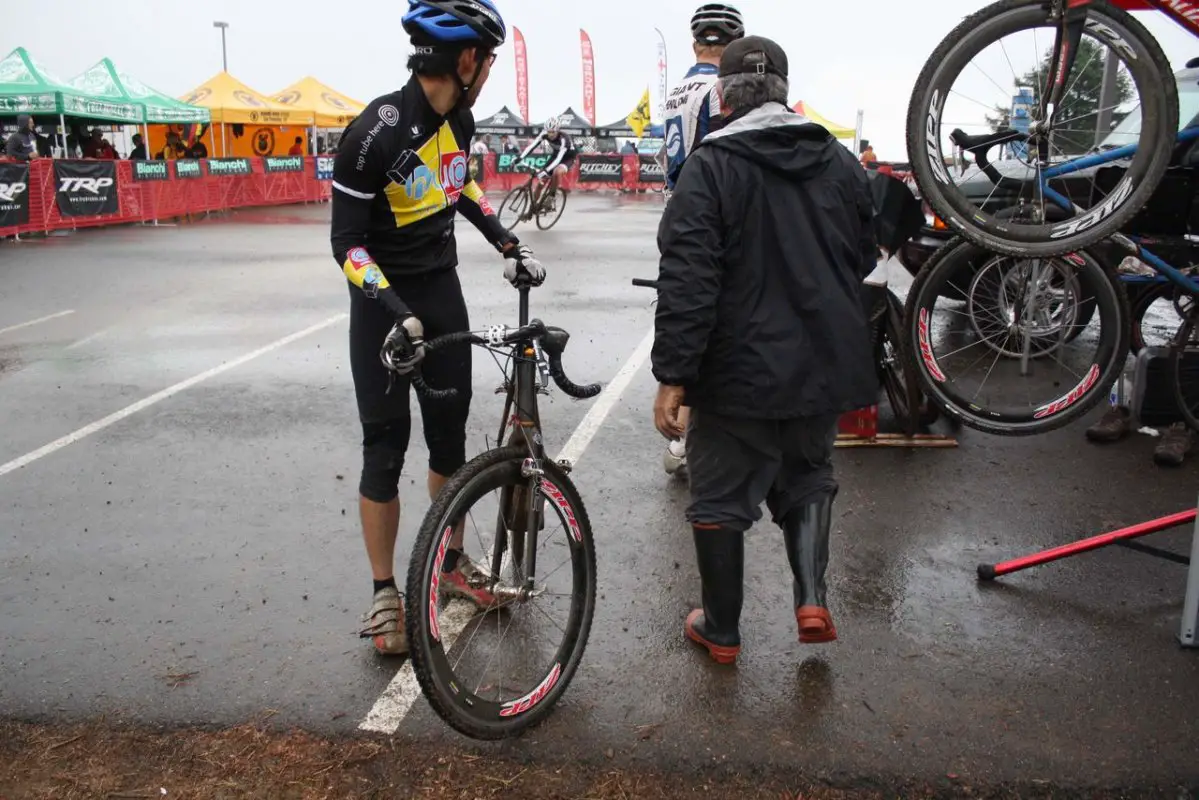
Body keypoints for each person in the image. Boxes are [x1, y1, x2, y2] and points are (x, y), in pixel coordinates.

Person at [651, 36, 877, 664]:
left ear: (723, 96)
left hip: (736, 372)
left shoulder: (710, 164)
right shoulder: (839, 162)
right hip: (819, 365)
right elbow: (862, 255)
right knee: (806, 477)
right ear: (783, 90)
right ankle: (811, 597)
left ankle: (721, 629)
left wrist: (672, 374)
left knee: (721, 496)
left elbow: (689, 277)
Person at [329, 0, 545, 657]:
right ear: (466, 58)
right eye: (488, 59)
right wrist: (397, 312)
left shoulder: (462, 120)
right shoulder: (374, 132)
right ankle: (384, 595)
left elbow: (462, 189)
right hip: (384, 311)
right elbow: (346, 247)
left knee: (448, 446)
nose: (489, 73)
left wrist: (508, 241)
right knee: (384, 452)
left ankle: (450, 566)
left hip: (442, 297)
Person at [657, 2, 744, 478]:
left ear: (696, 44)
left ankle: (686, 436)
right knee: (714, 325)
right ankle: (691, 440)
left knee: (687, 319)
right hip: (707, 214)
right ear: (733, 48)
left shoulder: (674, 91)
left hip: (674, 210)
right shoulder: (721, 89)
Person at [517, 117, 576, 211]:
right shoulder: (544, 134)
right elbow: (532, 146)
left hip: (568, 159)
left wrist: (546, 170)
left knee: (557, 172)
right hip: (556, 155)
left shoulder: (565, 139)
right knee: (541, 183)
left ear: (558, 130)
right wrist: (520, 158)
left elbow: (559, 159)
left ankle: (551, 197)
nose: (550, 134)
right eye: (549, 132)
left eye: (553, 132)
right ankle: (532, 209)